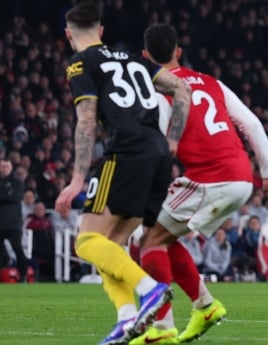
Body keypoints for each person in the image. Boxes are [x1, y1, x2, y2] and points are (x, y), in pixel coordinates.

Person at [129, 23, 268, 344]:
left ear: (145, 56)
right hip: (242, 176)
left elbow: (159, 144)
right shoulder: (211, 83)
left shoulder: (159, 90)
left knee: (148, 241)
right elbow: (251, 123)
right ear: (178, 52)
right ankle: (205, 306)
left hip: (211, 177)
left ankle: (161, 328)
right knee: (163, 237)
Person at [53, 3, 191, 344]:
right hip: (157, 152)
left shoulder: (80, 63)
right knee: (111, 246)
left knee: (86, 242)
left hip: (126, 152)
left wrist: (76, 179)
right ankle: (127, 319)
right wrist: (172, 139)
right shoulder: (133, 58)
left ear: (69, 34)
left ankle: (150, 290)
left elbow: (86, 120)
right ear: (101, 31)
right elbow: (181, 89)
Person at [0, 159, 28, 282]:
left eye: (6, 166)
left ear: (11, 168)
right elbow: (8, 197)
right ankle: (4, 271)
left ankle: (24, 274)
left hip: (13, 223)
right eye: (2, 166)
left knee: (17, 248)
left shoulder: (17, 183)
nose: (4, 169)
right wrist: (6, 195)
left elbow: (14, 197)